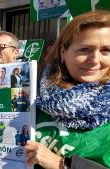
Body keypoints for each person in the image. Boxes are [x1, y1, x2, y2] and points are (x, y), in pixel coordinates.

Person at [25, 11, 110, 169]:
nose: (95, 60)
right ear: (63, 52)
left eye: (106, 50)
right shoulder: (32, 90)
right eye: (84, 49)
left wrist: (62, 165)